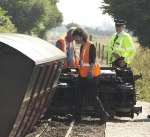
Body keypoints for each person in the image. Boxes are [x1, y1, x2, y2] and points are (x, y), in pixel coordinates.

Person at [72, 28, 109, 122]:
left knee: (92, 96)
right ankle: (77, 117)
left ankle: (104, 115)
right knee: (78, 95)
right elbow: (82, 62)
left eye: (76, 37)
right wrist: (78, 71)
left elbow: (92, 61)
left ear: (81, 36)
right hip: (83, 75)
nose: (75, 40)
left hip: (91, 75)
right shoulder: (82, 46)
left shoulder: (91, 45)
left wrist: (89, 73)